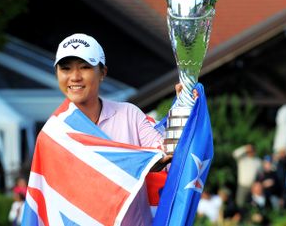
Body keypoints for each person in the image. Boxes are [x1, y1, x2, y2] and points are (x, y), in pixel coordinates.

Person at [33, 33, 179, 225]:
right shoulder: (52, 134)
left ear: (102, 73)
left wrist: (183, 110)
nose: (75, 77)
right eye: (65, 68)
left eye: (85, 67)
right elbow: (45, 203)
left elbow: (168, 157)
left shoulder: (129, 115)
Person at [232, 144, 262, 208]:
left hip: (253, 187)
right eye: (249, 151)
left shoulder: (258, 161)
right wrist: (245, 148)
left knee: (253, 204)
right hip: (242, 185)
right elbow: (234, 154)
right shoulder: (242, 159)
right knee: (240, 203)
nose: (251, 152)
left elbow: (260, 174)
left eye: (252, 151)